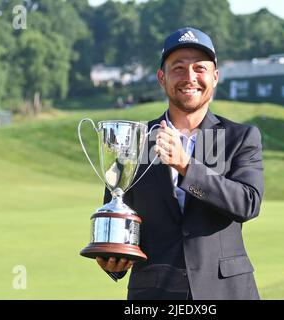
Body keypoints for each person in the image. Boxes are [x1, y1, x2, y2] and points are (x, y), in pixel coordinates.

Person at [95, 27, 264, 300]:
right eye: (178, 68)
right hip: (154, 293)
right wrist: (112, 257)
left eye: (200, 68)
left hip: (225, 291)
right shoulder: (136, 139)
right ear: (162, 77)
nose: (190, 77)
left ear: (215, 77)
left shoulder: (241, 137)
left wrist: (187, 166)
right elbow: (119, 212)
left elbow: (247, 203)